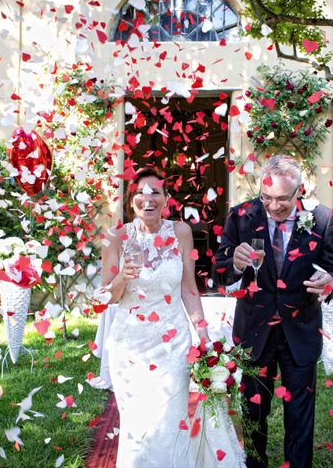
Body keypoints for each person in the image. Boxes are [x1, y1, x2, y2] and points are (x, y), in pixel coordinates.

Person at [101, 167, 244, 467]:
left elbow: (189, 289)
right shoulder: (115, 237)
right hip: (130, 347)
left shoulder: (181, 233)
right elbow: (106, 297)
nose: (148, 198)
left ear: (166, 200)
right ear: (131, 201)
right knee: (138, 427)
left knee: (168, 423)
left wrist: (203, 338)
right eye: (141, 192)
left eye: (156, 192)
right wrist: (123, 278)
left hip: (172, 346)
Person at [214, 155, 333, 468]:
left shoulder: (322, 218)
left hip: (299, 332)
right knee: (253, 415)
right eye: (267, 198)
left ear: (299, 192)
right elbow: (219, 272)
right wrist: (234, 262)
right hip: (254, 331)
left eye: (283, 199)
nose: (273, 207)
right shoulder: (240, 217)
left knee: (300, 418)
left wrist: (329, 282)